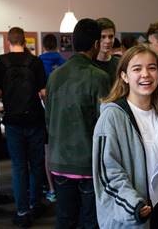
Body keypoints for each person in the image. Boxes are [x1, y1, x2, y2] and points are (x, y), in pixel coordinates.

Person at [93, 44, 158, 228]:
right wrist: (133, 206)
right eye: (137, 69)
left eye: (152, 68)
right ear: (124, 76)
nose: (145, 74)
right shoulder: (112, 117)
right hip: (131, 217)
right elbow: (108, 173)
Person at [45, 18, 110, 229]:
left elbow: (49, 118)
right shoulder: (99, 77)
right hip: (87, 164)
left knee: (64, 220)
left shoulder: (54, 76)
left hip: (59, 161)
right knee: (90, 221)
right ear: (96, 44)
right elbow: (106, 124)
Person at [0, 27, 47, 228]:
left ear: (9, 42)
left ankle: (22, 211)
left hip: (12, 122)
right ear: (24, 41)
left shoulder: (0, 62)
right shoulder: (35, 62)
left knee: (18, 168)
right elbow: (43, 92)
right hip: (34, 120)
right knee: (35, 166)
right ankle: (35, 204)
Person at [39, 33, 66, 204]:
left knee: (48, 152)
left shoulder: (38, 61)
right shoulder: (65, 62)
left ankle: (51, 189)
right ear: (56, 45)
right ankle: (64, 186)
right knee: (63, 149)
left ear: (43, 45)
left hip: (45, 112)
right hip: (63, 112)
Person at [94, 17, 120, 85]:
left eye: (111, 36)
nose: (107, 41)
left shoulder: (119, 64)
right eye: (103, 37)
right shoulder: (89, 64)